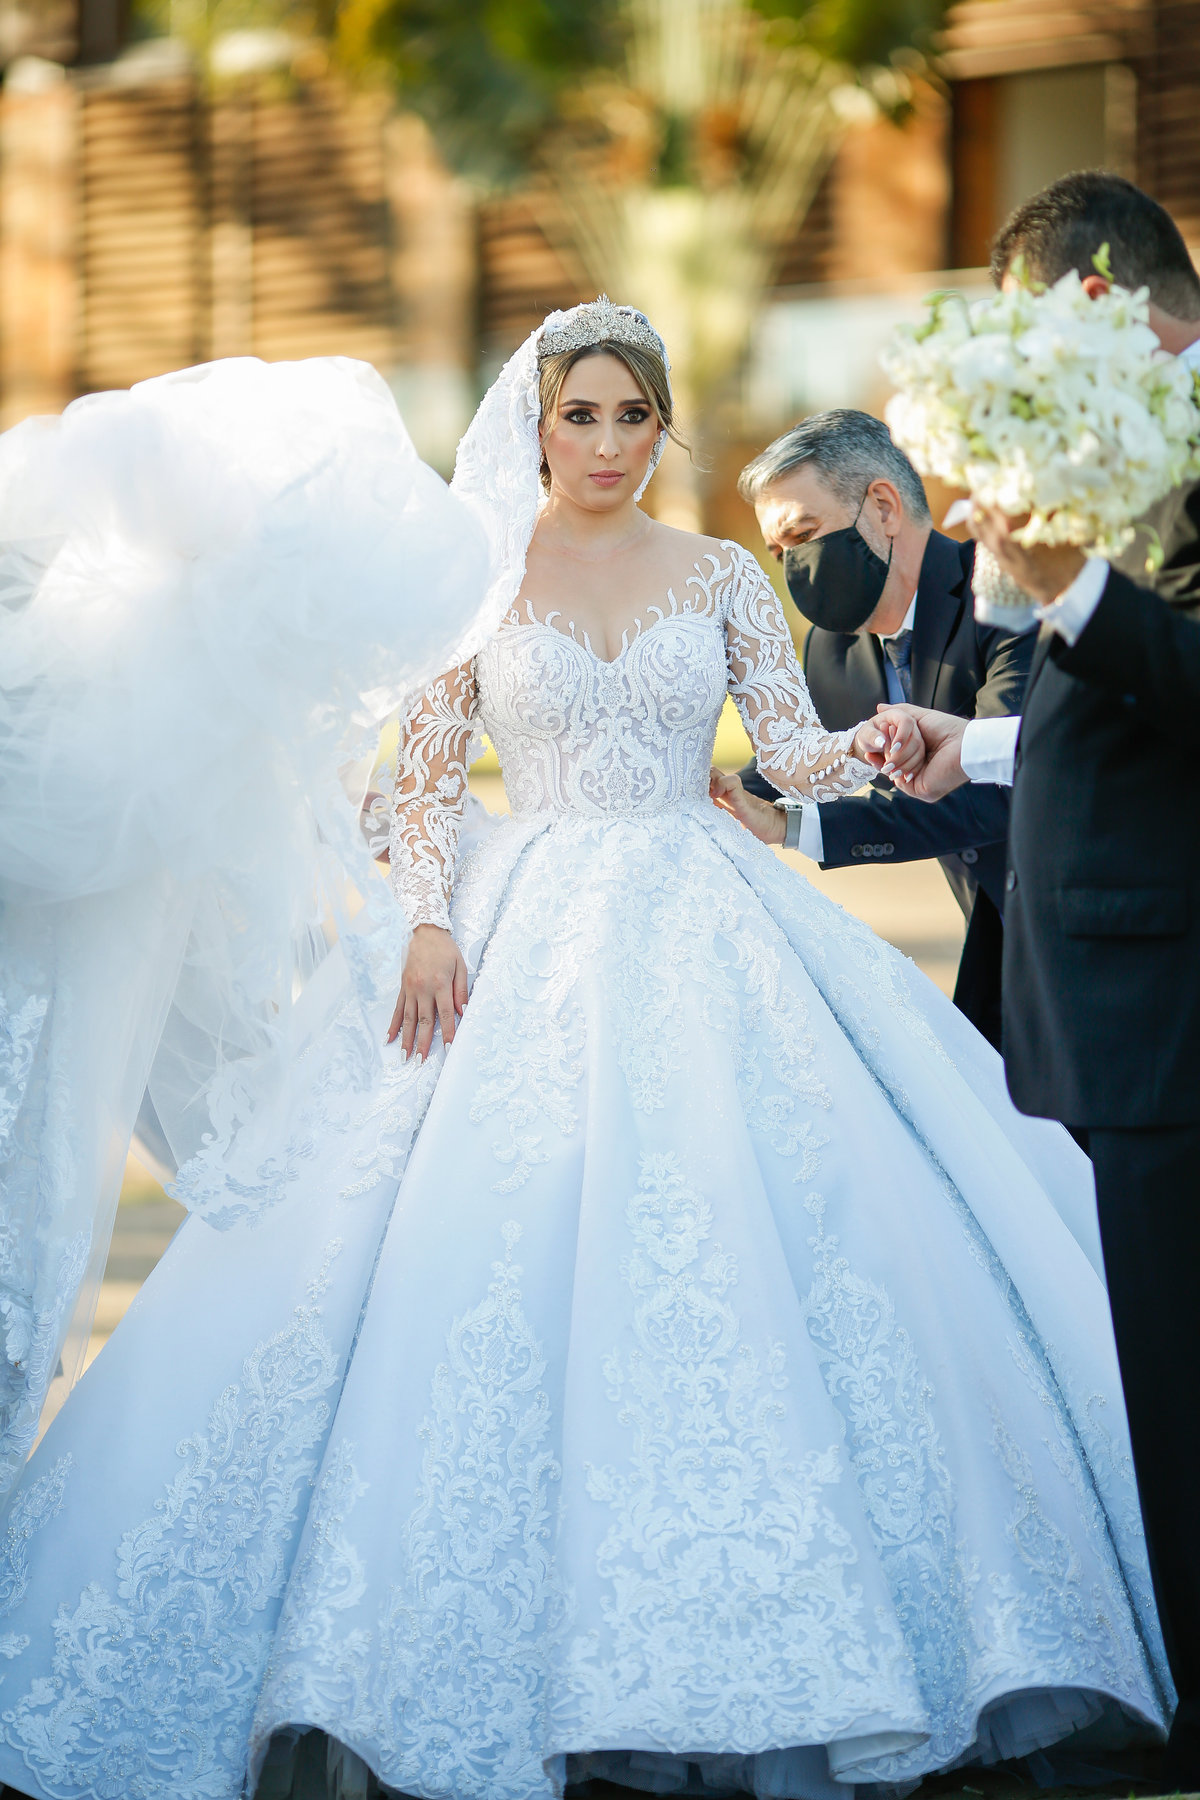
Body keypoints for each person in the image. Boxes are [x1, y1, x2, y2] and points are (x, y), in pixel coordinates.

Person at [0, 299, 1170, 1800]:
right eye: (581, 415)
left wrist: (865, 747)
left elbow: (783, 746)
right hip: (527, 923)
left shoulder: (722, 572)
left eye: (632, 416)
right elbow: (426, 781)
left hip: (707, 903)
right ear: (537, 425)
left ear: (662, 427)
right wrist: (429, 921)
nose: (607, 443)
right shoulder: (479, 579)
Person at [892, 171, 1200, 1791]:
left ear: (1102, 309)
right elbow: (1127, 713)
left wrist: (1070, 584)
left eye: (1031, 334)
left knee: (1180, 1390)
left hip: (1170, 1014)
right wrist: (986, 740)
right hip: (1095, 1004)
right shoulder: (1126, 443)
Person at [715, 412, 1032, 1047]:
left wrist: (794, 827)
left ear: (884, 508)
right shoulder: (830, 650)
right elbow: (786, 768)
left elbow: (1000, 783)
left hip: (1106, 929)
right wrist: (695, 796)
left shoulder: (1007, 588)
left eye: (803, 535)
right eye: (779, 553)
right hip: (999, 949)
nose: (794, 567)